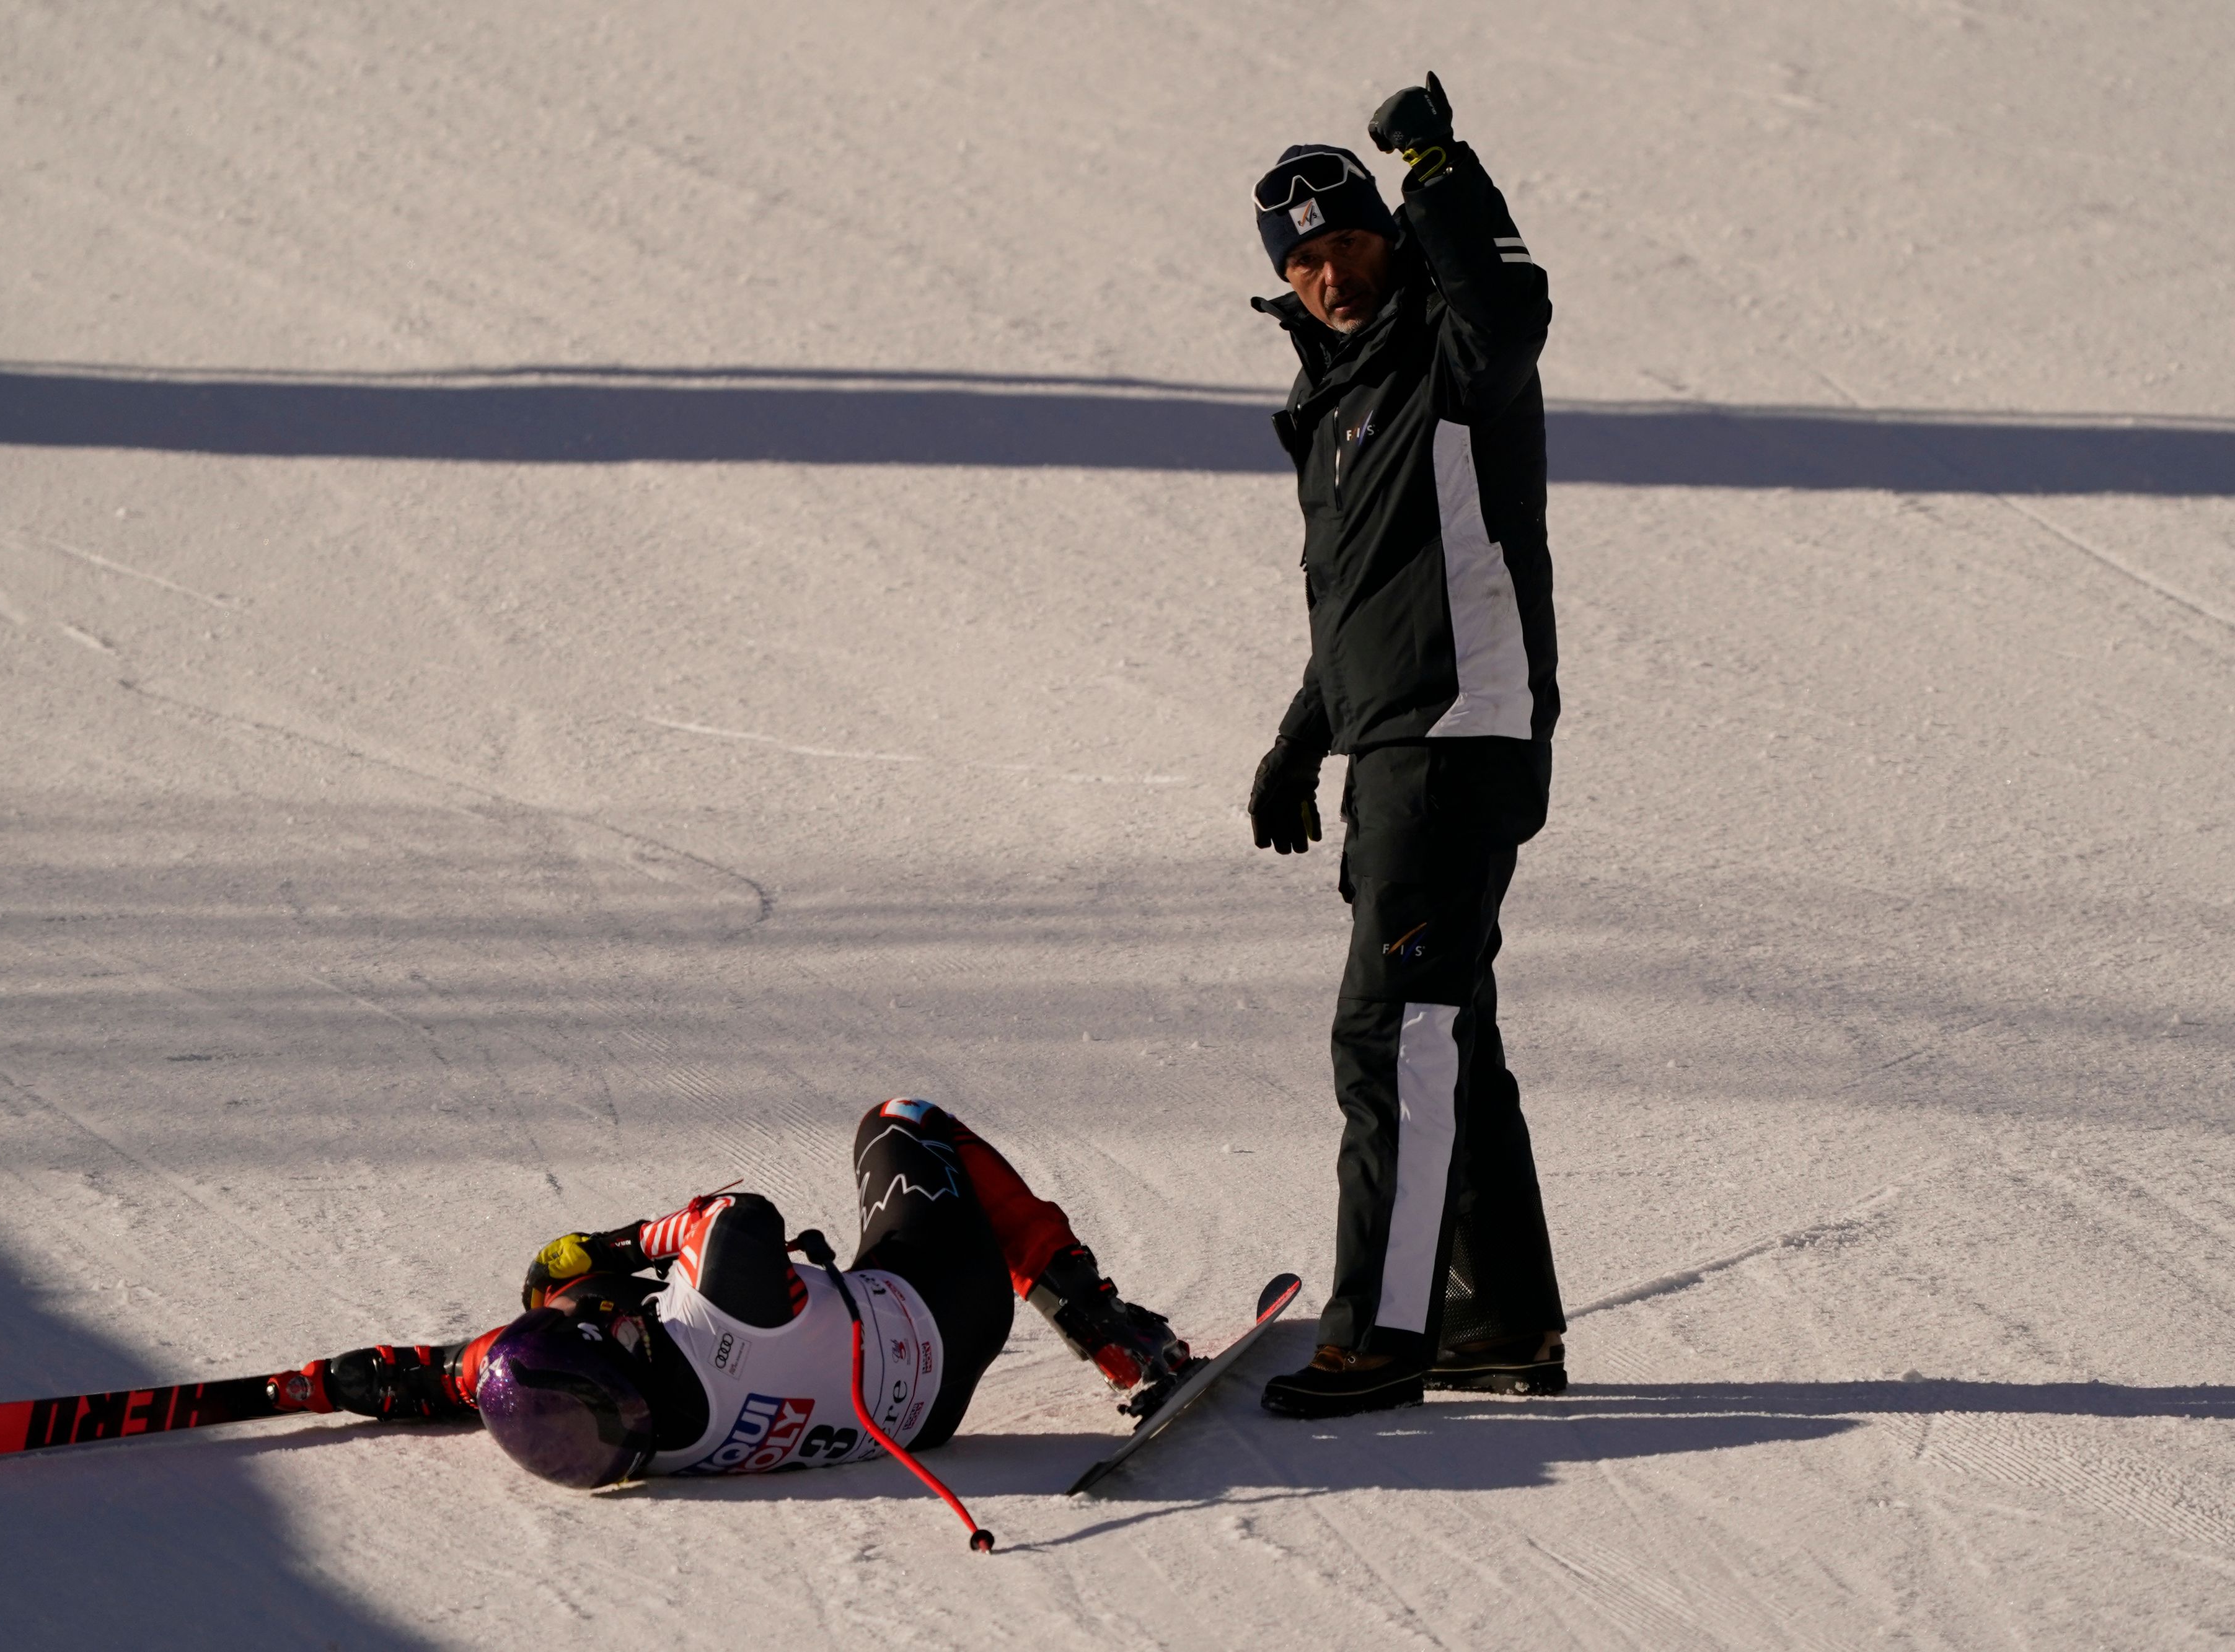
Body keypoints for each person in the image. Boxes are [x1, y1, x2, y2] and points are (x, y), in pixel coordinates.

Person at [1243, 76, 1569, 1419]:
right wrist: (1295, 745)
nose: (1329, 273)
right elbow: (1359, 613)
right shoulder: (1332, 416)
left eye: (1349, 244)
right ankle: (1495, 1322)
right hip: (1394, 741)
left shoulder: (1445, 355)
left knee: (1391, 1036)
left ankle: (1383, 1333)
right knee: (1445, 1031)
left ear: (1387, 240)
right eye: (1304, 260)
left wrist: (1436, 167)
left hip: (1454, 731)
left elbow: (1509, 304)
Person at [271, 1099, 1189, 1485]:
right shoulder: (719, 1305)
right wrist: (608, 1246)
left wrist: (337, 1382)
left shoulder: (631, 1447)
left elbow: (470, 1376)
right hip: (946, 1298)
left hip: (922, 1418)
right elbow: (736, 1215)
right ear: (615, 1328)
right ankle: (1104, 1326)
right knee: (900, 1120)